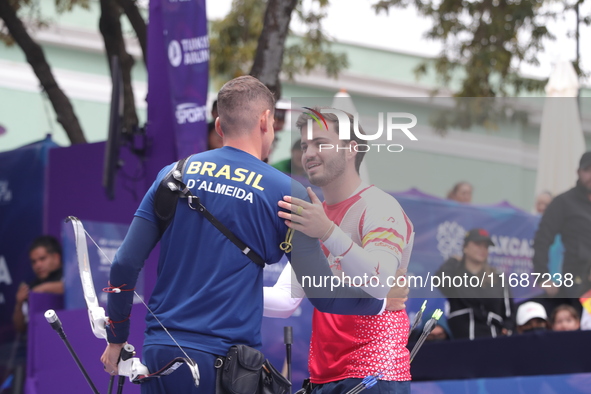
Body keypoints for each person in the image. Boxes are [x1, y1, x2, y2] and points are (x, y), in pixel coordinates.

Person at [100, 77, 386, 394]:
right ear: (265, 121)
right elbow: (322, 293)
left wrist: (117, 337)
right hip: (226, 364)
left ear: (220, 125)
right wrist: (378, 302)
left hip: (159, 354)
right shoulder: (288, 193)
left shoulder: (173, 174)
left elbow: (124, 264)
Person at [264, 108, 414, 394]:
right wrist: (217, 293)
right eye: (306, 145)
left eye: (321, 143)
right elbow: (285, 300)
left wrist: (327, 232)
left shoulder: (379, 207)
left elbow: (379, 283)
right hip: (326, 377)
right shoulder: (317, 215)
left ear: (350, 150)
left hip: (375, 373)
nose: (308, 153)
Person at [533, 151, 591, 307]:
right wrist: (542, 276)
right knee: (582, 325)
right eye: (587, 170)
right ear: (578, 172)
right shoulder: (563, 202)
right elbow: (542, 240)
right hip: (576, 281)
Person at [435, 229, 514, 339]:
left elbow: (509, 312)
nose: (482, 249)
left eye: (486, 246)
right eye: (478, 244)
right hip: (461, 341)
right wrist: (453, 260)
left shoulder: (497, 277)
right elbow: (439, 280)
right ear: (465, 247)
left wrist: (507, 328)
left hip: (492, 341)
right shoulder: (455, 275)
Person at [13, 236, 64, 333]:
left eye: (42, 259)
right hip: (40, 337)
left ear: (56, 258)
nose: (38, 265)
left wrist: (42, 289)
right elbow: (19, 328)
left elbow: (71, 289)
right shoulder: (30, 287)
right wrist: (19, 304)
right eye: (34, 262)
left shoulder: (70, 275)